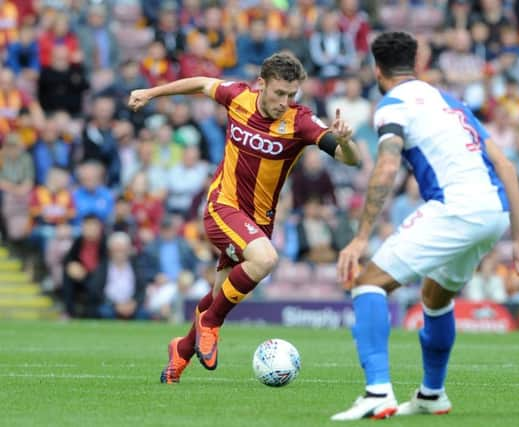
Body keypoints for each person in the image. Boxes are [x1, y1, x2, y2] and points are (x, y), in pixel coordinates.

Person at [331, 31, 519, 420]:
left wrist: (360, 239)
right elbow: (506, 166)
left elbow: (388, 165)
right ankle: (432, 394)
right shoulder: (451, 102)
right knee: (435, 298)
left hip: (456, 208)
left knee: (369, 283)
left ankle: (377, 391)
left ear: (376, 69)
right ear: (418, 64)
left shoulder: (391, 105)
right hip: (493, 213)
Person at [128, 52, 361, 383]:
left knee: (216, 296)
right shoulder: (238, 96)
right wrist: (152, 93)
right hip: (222, 206)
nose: (284, 101)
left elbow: (347, 158)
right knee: (264, 259)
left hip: (256, 223)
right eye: (279, 93)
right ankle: (211, 325)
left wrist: (348, 142)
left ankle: (180, 351)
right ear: (262, 84)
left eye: (291, 95)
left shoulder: (300, 121)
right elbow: (200, 82)